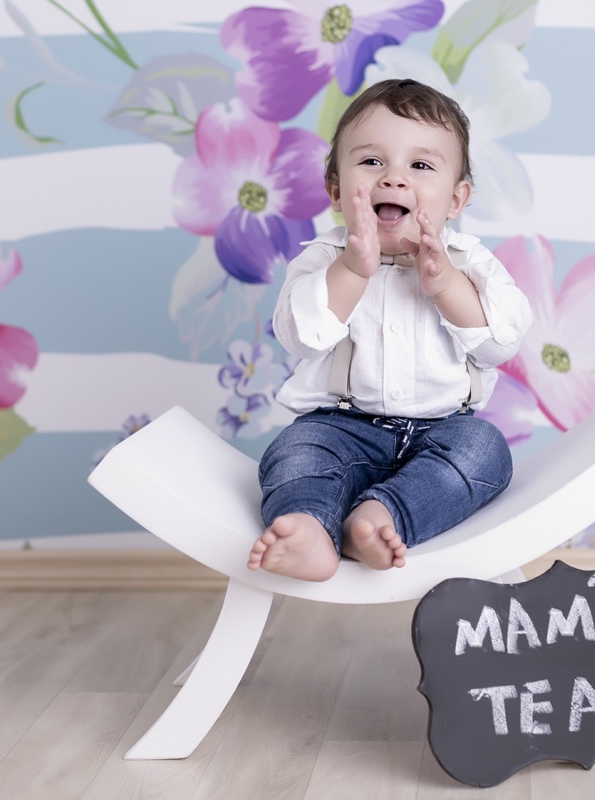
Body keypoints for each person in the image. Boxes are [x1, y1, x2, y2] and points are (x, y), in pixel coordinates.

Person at [247, 78, 532, 581]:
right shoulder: (323, 260)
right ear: (337, 190)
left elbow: (500, 344)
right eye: (372, 162)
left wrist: (445, 283)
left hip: (442, 432)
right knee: (294, 453)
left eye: (420, 166)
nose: (394, 179)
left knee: (486, 451)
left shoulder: (471, 263)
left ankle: (381, 517)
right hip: (340, 427)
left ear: (455, 199)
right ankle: (309, 527)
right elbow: (301, 336)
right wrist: (353, 271)